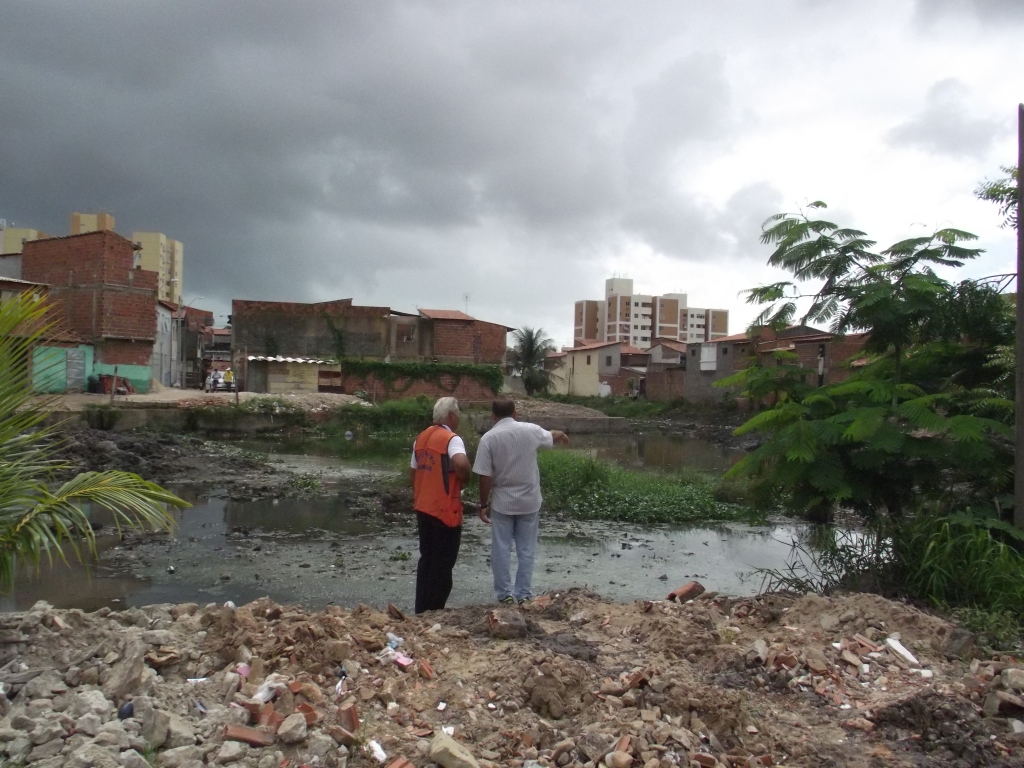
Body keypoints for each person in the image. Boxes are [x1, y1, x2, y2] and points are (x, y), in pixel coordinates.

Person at [474, 396, 570, 605]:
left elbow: (484, 475)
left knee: (501, 548)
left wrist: (483, 504)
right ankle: (524, 594)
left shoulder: (488, 439)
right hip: (529, 501)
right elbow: (550, 436)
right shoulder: (530, 430)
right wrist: (561, 434)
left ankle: (504, 595)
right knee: (526, 549)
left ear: (493, 416)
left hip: (502, 503)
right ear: (515, 413)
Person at [410, 397, 471, 613]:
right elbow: (461, 463)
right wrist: (465, 478)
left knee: (427, 560)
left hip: (423, 507)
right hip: (445, 510)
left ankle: (421, 609)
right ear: (451, 416)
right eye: (458, 416)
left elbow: (414, 471)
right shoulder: (451, 439)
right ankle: (435, 611)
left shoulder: (422, 437)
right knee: (443, 565)